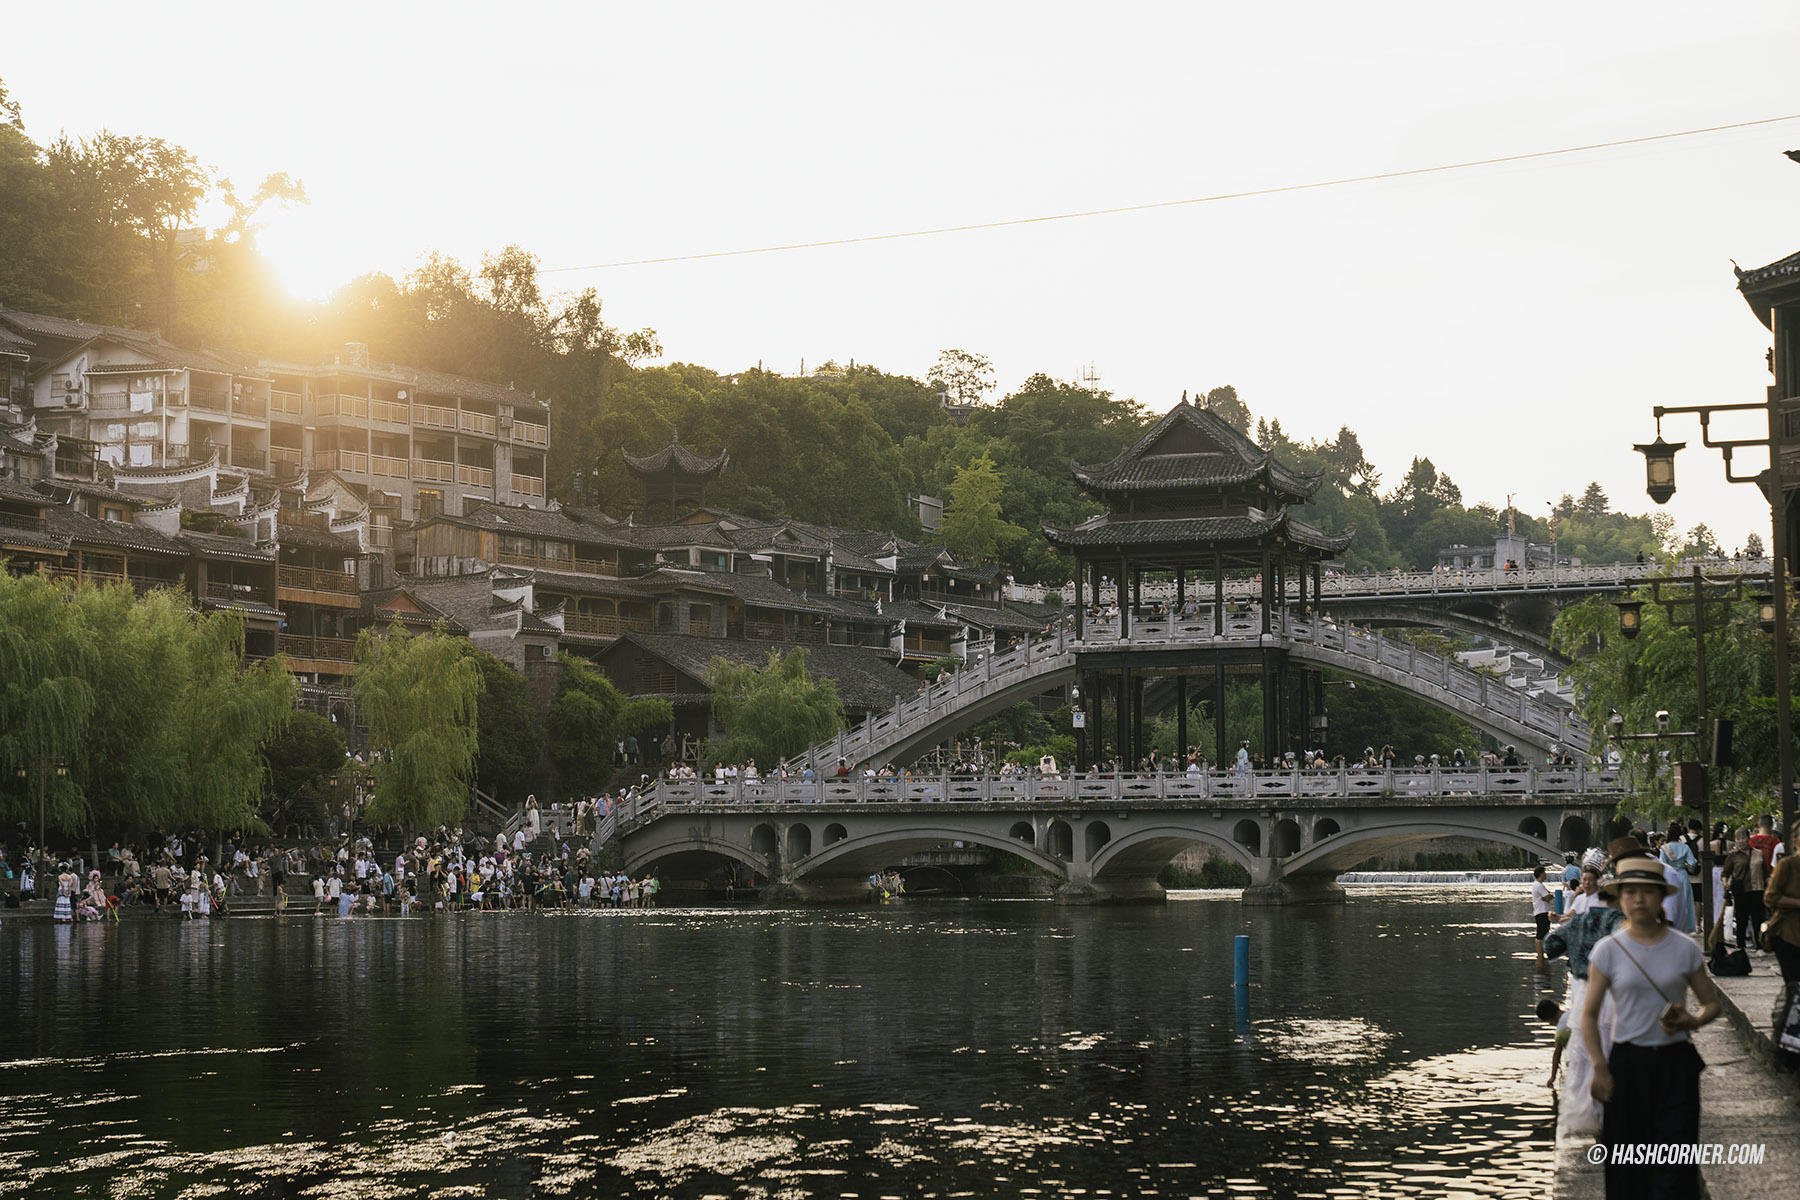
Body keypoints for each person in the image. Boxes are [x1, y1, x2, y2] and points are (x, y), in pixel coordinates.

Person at [1582, 853, 1722, 1197]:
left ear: (1661, 897)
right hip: (1628, 1064)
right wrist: (1599, 1067)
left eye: (1647, 892)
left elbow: (1712, 1004)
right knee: (1627, 1165)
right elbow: (1588, 1015)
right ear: (1620, 898)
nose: (1638, 899)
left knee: (1676, 1165)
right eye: (1630, 892)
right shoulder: (1607, 951)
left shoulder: (1683, 948)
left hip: (1676, 1065)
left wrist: (1694, 1020)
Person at [1763, 843, 1800, 1069]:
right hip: (1789, 937)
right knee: (1794, 990)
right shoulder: (1788, 865)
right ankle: (1787, 1050)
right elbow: (1770, 898)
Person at [1531, 865, 1553, 970]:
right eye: (1544, 872)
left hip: (1540, 911)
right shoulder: (1539, 885)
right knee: (1541, 933)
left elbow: (1547, 897)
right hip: (1541, 912)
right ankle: (1540, 955)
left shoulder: (1537, 885)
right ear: (1541, 874)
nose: (1546, 874)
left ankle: (1541, 954)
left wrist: (1548, 896)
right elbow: (1547, 897)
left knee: (1543, 932)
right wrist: (1549, 896)